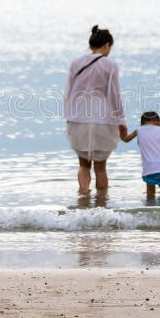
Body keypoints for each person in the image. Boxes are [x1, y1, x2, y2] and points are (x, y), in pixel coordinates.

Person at [64, 25, 128, 193]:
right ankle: (101, 208)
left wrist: (69, 117)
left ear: (91, 45)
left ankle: (83, 200)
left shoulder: (75, 64)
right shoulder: (110, 66)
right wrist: (121, 121)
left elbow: (68, 92)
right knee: (101, 168)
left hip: (78, 119)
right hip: (103, 121)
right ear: (107, 45)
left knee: (83, 165)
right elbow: (114, 95)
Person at [121, 111, 160, 198]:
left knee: (150, 192)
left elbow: (126, 139)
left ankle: (150, 209)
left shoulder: (138, 131)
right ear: (154, 120)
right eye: (159, 121)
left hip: (149, 167)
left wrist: (121, 131)